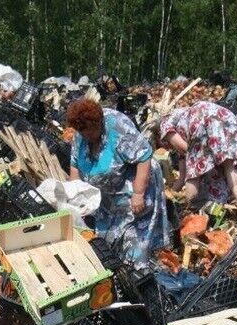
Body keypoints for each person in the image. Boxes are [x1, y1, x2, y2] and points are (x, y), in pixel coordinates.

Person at [67, 99, 169, 268]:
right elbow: (75, 165)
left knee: (134, 243)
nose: (86, 136)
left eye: (89, 131)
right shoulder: (81, 135)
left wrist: (138, 194)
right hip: (107, 199)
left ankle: (140, 272)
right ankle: (120, 272)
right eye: (82, 132)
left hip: (135, 188)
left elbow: (144, 156)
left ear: (98, 123)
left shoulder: (118, 127)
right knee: (108, 245)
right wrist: (76, 196)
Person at [158, 101, 237, 214]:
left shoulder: (164, 122)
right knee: (235, 176)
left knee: (193, 176)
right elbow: (182, 178)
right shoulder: (183, 125)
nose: (167, 149)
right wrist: (170, 194)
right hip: (227, 118)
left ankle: (190, 215)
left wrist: (183, 206)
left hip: (202, 117)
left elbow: (186, 150)